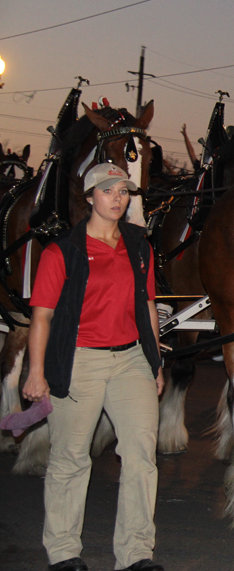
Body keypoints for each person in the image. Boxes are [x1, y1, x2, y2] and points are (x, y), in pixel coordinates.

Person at [22, 163, 165, 571]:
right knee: (70, 457)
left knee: (141, 456)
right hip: (79, 360)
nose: (117, 198)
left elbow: (149, 305)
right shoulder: (62, 250)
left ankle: (137, 552)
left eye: (123, 190)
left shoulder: (140, 245)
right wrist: (36, 372)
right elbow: (43, 317)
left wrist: (155, 361)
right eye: (107, 191)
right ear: (89, 198)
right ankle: (64, 550)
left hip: (132, 360)